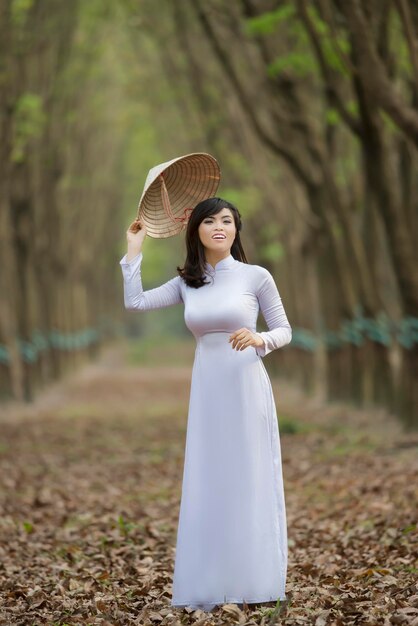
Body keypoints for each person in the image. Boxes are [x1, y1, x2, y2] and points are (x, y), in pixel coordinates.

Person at [119, 197, 292, 612]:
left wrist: (260, 339)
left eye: (227, 221)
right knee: (210, 478)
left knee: (248, 475)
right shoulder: (187, 282)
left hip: (246, 386)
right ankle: (211, 582)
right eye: (210, 221)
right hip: (207, 391)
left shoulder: (256, 277)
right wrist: (133, 251)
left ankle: (255, 582)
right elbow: (136, 302)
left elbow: (284, 329)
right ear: (195, 230)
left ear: (236, 230)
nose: (219, 227)